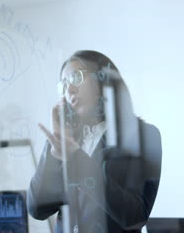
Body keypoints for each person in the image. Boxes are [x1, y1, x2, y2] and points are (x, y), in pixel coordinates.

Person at [27, 50, 162, 233]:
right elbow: (37, 209)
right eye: (64, 84)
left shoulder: (143, 135)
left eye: (75, 78)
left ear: (104, 80)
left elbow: (135, 217)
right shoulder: (68, 139)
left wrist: (75, 158)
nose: (69, 90)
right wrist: (55, 144)